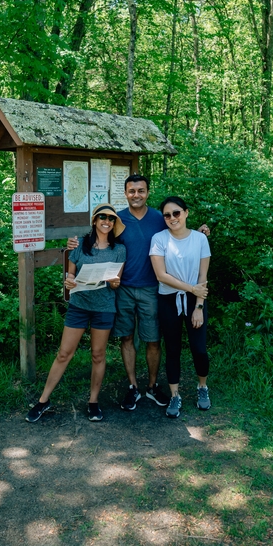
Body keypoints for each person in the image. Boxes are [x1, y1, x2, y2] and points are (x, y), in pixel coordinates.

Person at [68, 174, 209, 412]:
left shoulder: (159, 217)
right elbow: (97, 237)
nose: (136, 195)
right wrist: (74, 241)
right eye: (132, 191)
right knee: (126, 338)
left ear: (147, 192)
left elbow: (179, 230)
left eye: (141, 191)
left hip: (152, 289)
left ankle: (152, 387)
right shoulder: (117, 219)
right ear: (125, 193)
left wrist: (201, 230)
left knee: (153, 340)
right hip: (121, 288)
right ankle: (133, 387)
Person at [26, 204, 126, 424]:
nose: (106, 222)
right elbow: (70, 277)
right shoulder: (78, 245)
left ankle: (93, 402)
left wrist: (116, 282)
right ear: (94, 220)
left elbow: (117, 283)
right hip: (79, 305)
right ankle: (43, 401)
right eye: (102, 217)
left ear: (114, 222)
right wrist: (69, 282)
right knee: (64, 354)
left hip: (104, 307)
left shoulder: (119, 249)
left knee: (98, 355)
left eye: (110, 218)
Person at [150, 196, 211, 419]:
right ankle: (175, 394)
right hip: (169, 300)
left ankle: (202, 387)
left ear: (186, 213)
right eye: (167, 215)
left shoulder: (200, 239)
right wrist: (191, 288)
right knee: (173, 349)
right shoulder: (159, 239)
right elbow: (161, 275)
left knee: (199, 349)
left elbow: (203, 275)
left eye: (176, 213)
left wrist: (199, 304)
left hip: (196, 300)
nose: (172, 218)